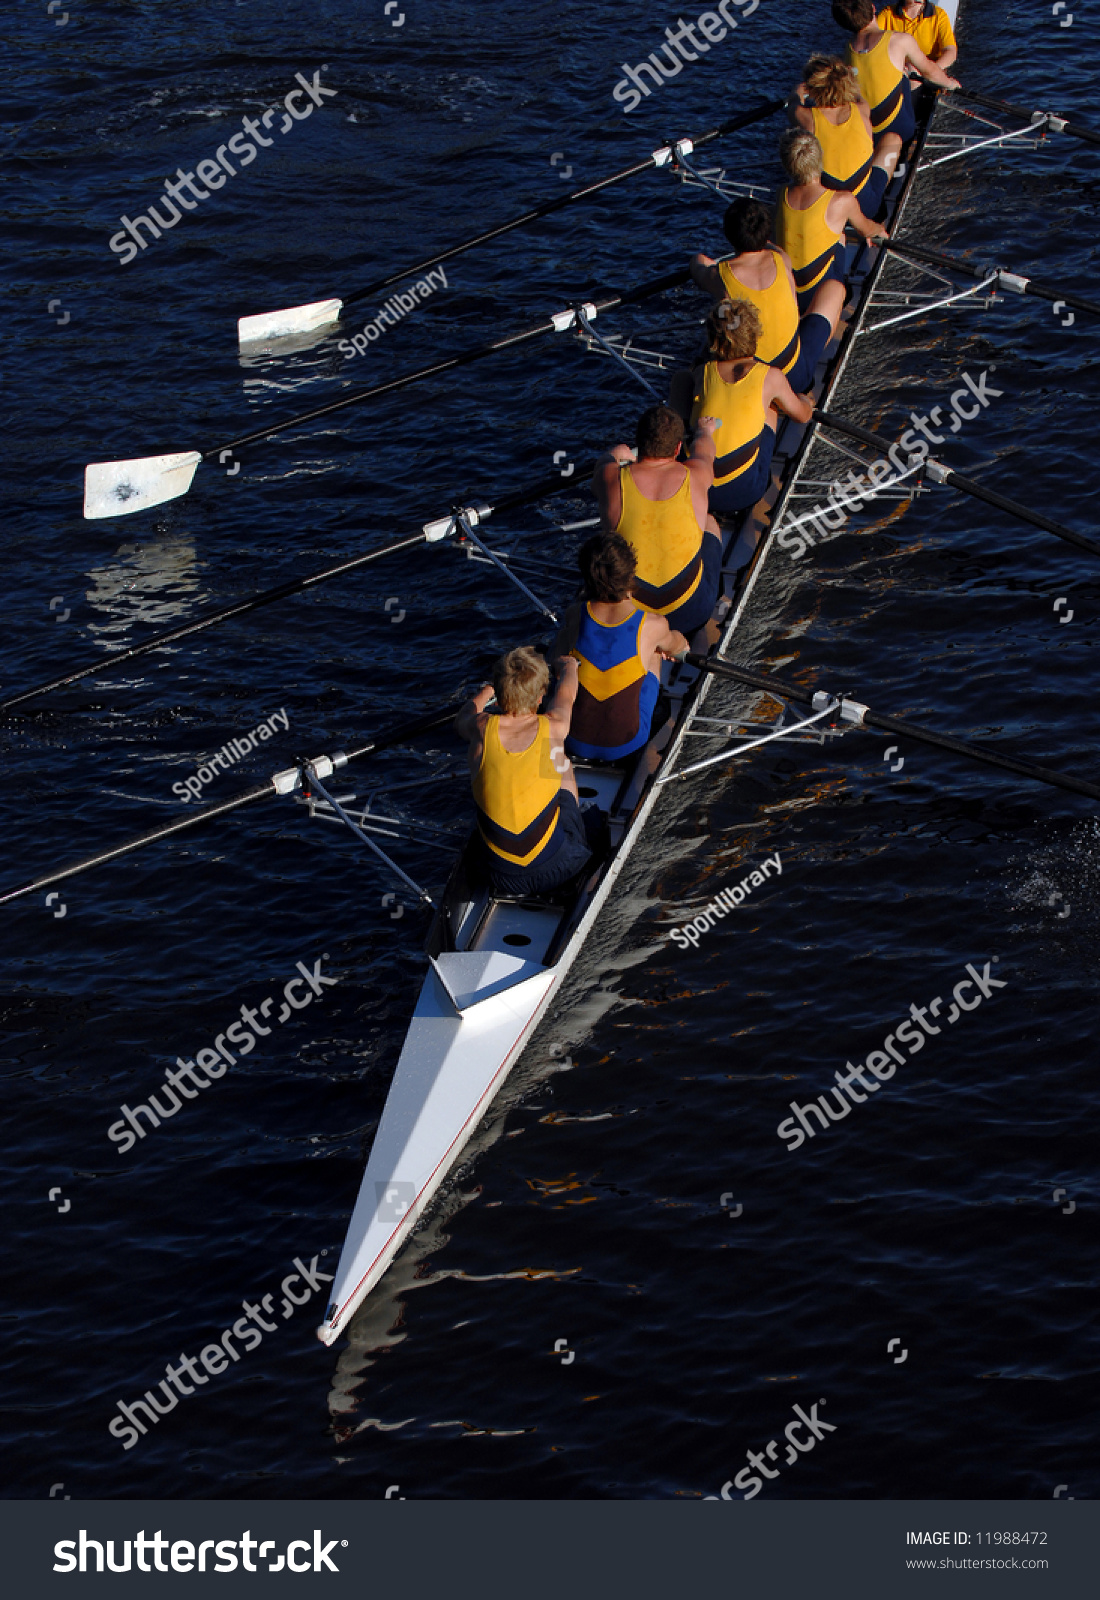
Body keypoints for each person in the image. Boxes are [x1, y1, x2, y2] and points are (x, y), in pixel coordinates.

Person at [455, 646, 593, 896]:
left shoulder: (480, 727)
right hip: (561, 868)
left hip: (499, 877)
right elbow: (567, 693)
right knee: (561, 763)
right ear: (541, 696)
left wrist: (485, 692)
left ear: (498, 692)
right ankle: (576, 838)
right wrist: (570, 665)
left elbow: (464, 716)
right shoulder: (554, 726)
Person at [551, 533, 687, 764]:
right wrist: (676, 642)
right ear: (631, 574)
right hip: (628, 742)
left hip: (572, 738)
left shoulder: (575, 613)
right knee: (654, 650)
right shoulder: (652, 624)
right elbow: (678, 647)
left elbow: (554, 658)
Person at [672, 299, 813, 517]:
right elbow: (802, 416)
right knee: (771, 406)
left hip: (695, 489)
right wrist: (805, 401)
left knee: (681, 380)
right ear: (754, 334)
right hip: (743, 493)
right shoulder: (770, 376)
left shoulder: (702, 372)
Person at [591, 404, 722, 637]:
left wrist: (616, 454)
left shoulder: (611, 477)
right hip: (691, 612)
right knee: (710, 522)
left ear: (638, 443)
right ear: (678, 448)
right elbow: (704, 451)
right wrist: (705, 430)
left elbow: (601, 467)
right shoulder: (698, 474)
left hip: (632, 614)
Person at [689, 198, 844, 394]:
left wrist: (698, 259)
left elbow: (698, 267)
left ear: (729, 236)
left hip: (757, 385)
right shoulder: (782, 259)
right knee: (835, 288)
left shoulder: (719, 276)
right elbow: (774, 249)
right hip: (796, 376)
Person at [774, 130, 888, 315]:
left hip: (790, 293)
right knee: (840, 234)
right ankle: (841, 297)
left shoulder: (781, 193)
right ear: (820, 160)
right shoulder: (841, 201)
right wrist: (880, 229)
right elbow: (867, 229)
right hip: (820, 295)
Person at [831, 0, 960, 143]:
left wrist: (931, 70)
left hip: (867, 123)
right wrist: (950, 84)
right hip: (900, 121)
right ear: (873, 8)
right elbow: (929, 72)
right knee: (910, 74)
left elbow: (950, 52)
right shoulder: (895, 28)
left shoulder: (848, 48)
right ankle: (912, 137)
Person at [790, 54, 900, 218]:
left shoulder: (804, 116)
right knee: (893, 140)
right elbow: (857, 94)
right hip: (866, 207)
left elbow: (794, 102)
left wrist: (798, 91)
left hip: (829, 210)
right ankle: (887, 187)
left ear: (812, 88)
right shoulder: (862, 108)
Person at [877, 0, 958, 72]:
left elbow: (950, 50)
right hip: (897, 73)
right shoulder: (887, 13)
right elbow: (871, 39)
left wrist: (931, 71)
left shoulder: (938, 15)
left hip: (926, 77)